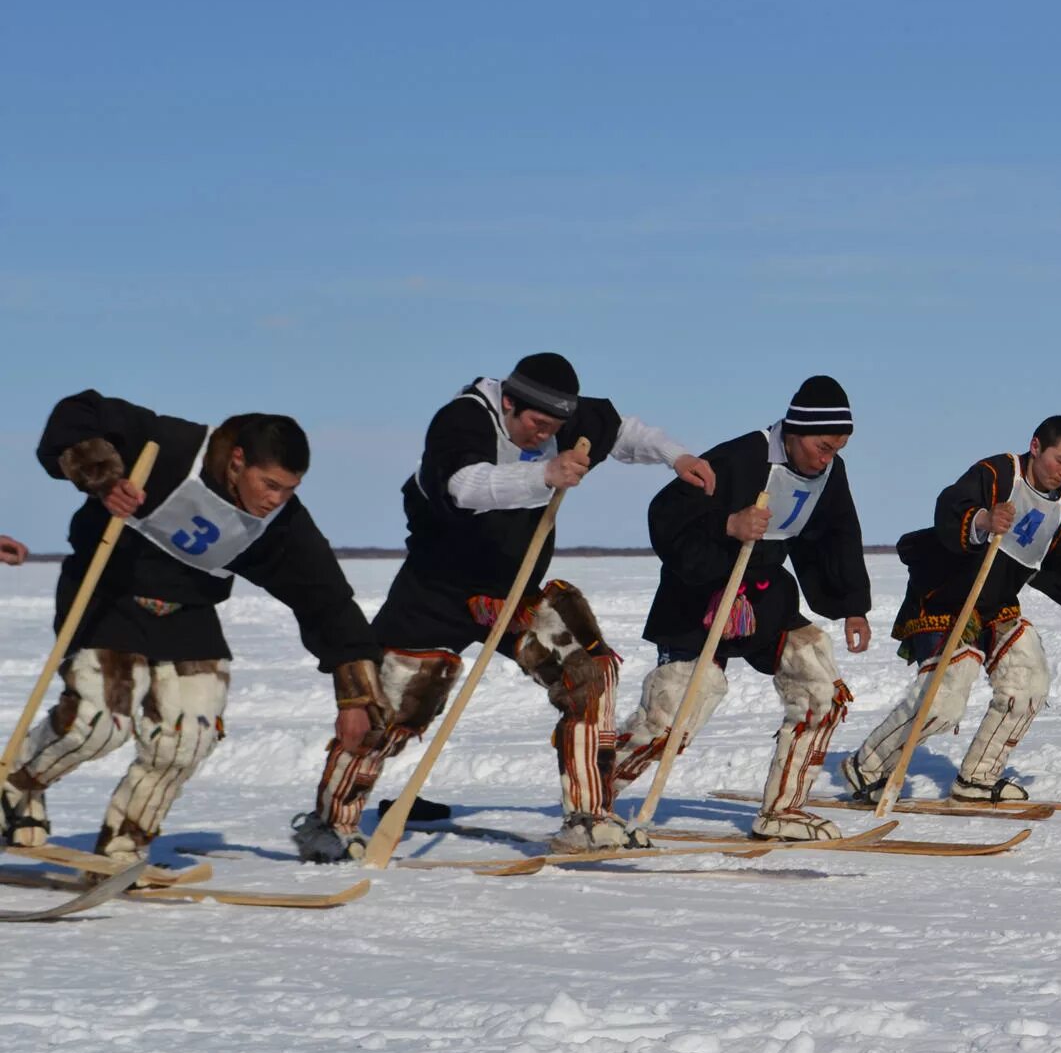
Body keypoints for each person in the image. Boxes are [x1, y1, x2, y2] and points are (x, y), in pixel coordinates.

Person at [298, 352, 715, 861]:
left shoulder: (562, 419)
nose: (546, 434)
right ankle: (331, 825)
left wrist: (678, 457)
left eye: (556, 426)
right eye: (538, 424)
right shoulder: (462, 420)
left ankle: (588, 818)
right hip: (438, 589)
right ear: (510, 402)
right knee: (393, 706)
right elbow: (463, 485)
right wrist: (545, 475)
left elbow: (624, 431)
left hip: (515, 592)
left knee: (587, 672)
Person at [3, 391, 384, 861]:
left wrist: (355, 696)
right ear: (238, 460)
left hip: (189, 615)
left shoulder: (280, 524)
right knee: (99, 722)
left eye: (289, 489)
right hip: (109, 592)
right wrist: (103, 478)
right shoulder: (169, 445)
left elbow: (326, 600)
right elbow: (76, 413)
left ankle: (123, 847)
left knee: (188, 737)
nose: (276, 500)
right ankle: (15, 786)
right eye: (269, 484)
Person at [608, 375, 871, 841]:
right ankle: (591, 800)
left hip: (766, 599)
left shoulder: (830, 472)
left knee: (819, 688)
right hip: (698, 601)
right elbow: (666, 516)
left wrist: (852, 605)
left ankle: (783, 810)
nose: (829, 458)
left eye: (837, 448)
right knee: (674, 718)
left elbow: (837, 534)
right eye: (823, 446)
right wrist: (726, 524)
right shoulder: (736, 458)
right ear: (794, 430)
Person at [839, 415, 1061, 804]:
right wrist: (984, 519)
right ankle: (866, 767)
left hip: (997, 607)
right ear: (1036, 446)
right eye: (1060, 460)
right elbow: (951, 505)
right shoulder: (999, 474)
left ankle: (978, 777)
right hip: (945, 599)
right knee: (945, 699)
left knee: (1029, 683)